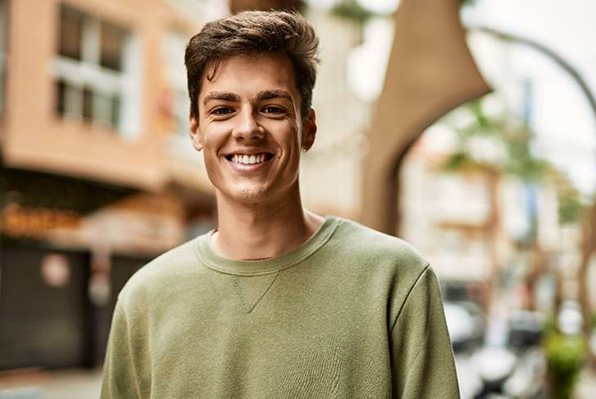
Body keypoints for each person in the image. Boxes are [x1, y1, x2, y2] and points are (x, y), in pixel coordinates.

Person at [101, 10, 459, 399]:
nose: (247, 129)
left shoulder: (395, 279)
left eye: (272, 108)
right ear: (195, 129)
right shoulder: (145, 300)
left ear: (307, 128)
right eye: (223, 109)